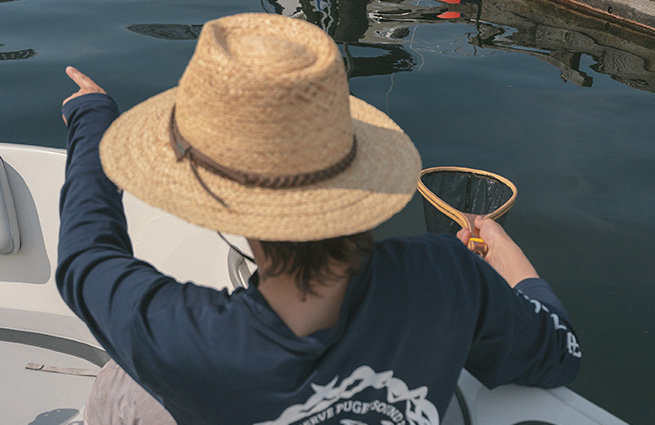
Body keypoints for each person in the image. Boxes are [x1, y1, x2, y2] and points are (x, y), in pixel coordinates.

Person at [57, 13, 581, 425]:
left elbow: (85, 256)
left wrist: (92, 115)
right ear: (356, 172)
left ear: (218, 202)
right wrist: (503, 251)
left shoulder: (179, 338)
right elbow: (558, 351)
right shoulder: (449, 276)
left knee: (120, 388)